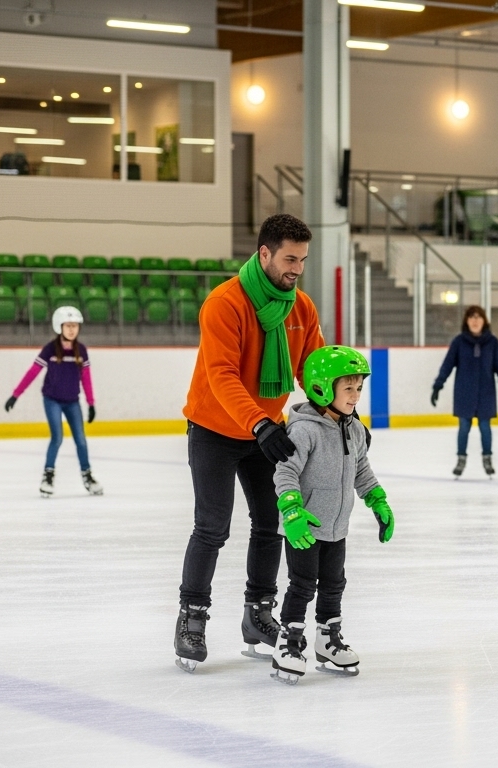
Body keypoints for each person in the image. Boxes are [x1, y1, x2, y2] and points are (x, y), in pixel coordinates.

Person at [174, 213, 325, 674]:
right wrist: (260, 423)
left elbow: (313, 369)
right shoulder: (225, 303)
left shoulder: (301, 308)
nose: (296, 268)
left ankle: (259, 614)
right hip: (215, 430)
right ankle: (191, 616)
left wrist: (340, 415)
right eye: (289, 258)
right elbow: (220, 375)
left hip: (265, 431)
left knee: (272, 522)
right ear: (264, 254)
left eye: (302, 259)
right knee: (212, 525)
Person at [269, 346, 394, 684]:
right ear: (323, 387)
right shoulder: (304, 430)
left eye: (359, 388)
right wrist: (292, 510)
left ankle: (327, 638)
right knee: (302, 584)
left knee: (334, 584)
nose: (355, 396)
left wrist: (378, 500)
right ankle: (289, 641)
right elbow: (285, 472)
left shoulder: (353, 429)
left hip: (337, 527)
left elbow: (362, 471)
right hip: (305, 528)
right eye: (348, 388)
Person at [4, 305, 103, 497]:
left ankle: (88, 476)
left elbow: (86, 378)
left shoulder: (81, 350)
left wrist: (91, 403)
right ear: (59, 327)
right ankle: (48, 476)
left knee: (81, 440)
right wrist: (16, 395)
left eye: (75, 326)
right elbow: (33, 372)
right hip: (52, 400)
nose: (72, 329)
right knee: (57, 438)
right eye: (68, 326)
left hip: (72, 401)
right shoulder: (50, 349)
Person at [431, 305, 498, 478]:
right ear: (467, 321)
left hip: (486, 392)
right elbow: (447, 365)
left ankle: (487, 459)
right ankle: (461, 460)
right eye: (471, 317)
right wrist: (438, 385)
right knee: (464, 427)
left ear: (484, 321)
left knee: (485, 427)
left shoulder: (492, 342)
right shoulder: (459, 342)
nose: (475, 321)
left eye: (478, 317)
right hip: (464, 392)